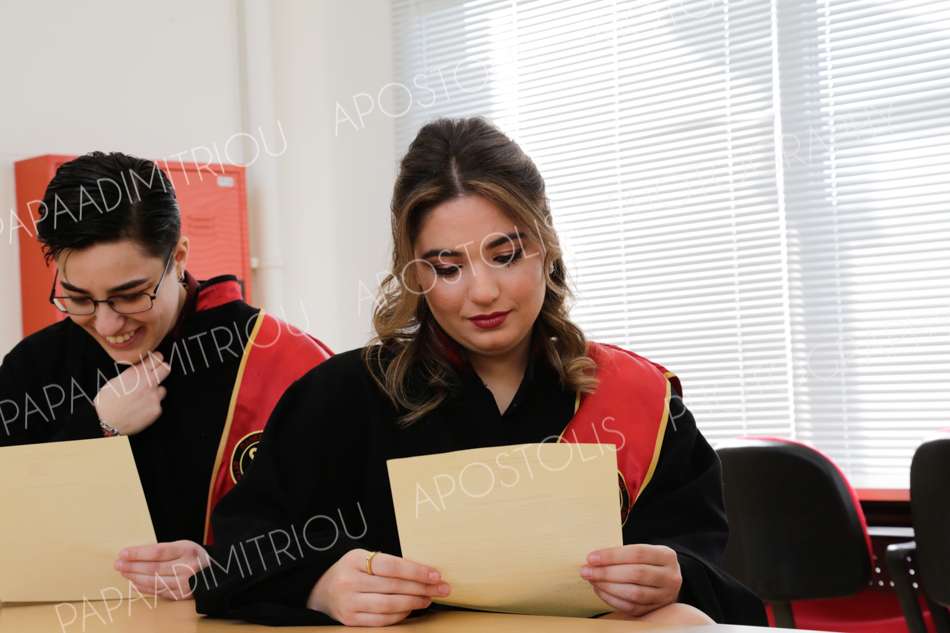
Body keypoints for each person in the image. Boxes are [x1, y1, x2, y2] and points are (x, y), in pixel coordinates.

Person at [192, 118, 767, 626]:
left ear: (547, 247)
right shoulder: (339, 397)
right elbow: (233, 562)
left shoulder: (640, 401)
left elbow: (720, 583)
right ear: (413, 272)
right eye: (447, 267)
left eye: (506, 255)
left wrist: (675, 576)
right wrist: (319, 587)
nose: (483, 291)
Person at [0, 152, 332, 598]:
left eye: (131, 295)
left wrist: (222, 566)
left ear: (178, 257)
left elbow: (342, 529)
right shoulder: (34, 366)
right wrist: (98, 426)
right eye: (78, 298)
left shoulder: (278, 358)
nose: (107, 325)